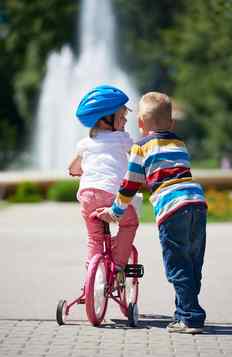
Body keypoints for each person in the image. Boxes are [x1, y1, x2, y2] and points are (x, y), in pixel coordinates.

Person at [96, 91, 207, 334]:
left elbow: (129, 185)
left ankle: (190, 318)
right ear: (171, 123)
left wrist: (115, 211)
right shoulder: (179, 143)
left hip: (172, 207)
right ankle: (185, 312)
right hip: (197, 203)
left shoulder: (141, 146)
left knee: (177, 263)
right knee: (192, 262)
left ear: (141, 124)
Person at [69, 84, 139, 270]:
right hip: (111, 193)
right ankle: (118, 266)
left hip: (87, 196)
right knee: (130, 223)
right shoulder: (122, 139)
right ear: (104, 120)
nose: (125, 121)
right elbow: (137, 157)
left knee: (95, 237)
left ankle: (93, 276)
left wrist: (79, 170)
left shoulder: (84, 143)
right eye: (122, 116)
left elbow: (73, 168)